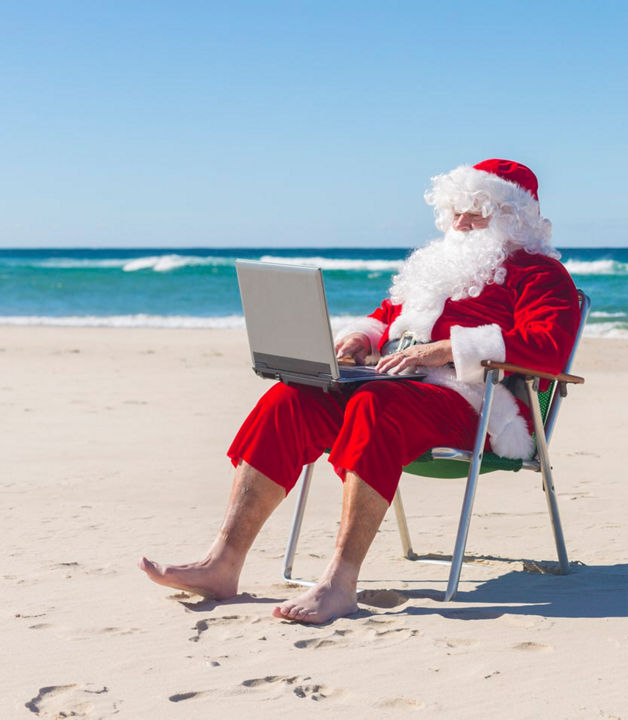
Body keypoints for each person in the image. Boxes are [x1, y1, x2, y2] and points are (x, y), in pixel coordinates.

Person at [139, 159, 580, 624]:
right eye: (455, 211)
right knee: (290, 398)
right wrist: (361, 338)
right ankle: (221, 563)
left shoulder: (541, 275)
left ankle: (339, 583)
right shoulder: (436, 268)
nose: (460, 222)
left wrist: (445, 350)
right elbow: (386, 316)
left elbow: (549, 349)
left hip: (476, 403)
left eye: (475, 211)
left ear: (513, 217)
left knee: (375, 405)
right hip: (395, 385)